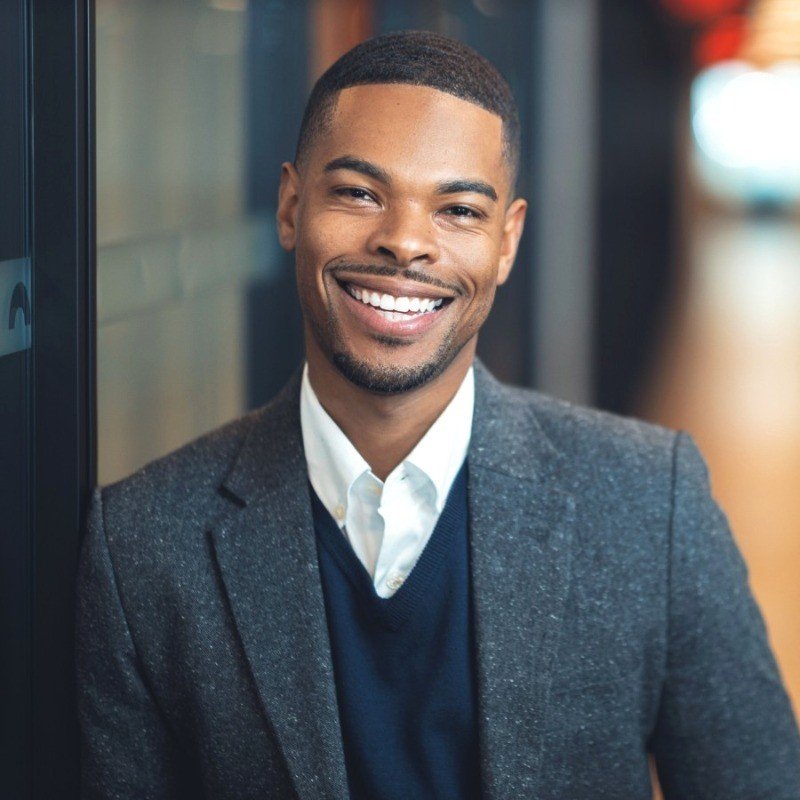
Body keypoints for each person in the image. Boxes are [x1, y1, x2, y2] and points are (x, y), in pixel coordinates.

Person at [76, 30, 800, 800]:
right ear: (292, 207)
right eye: (359, 193)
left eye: (456, 209)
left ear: (507, 242)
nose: (405, 243)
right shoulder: (145, 547)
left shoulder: (651, 504)